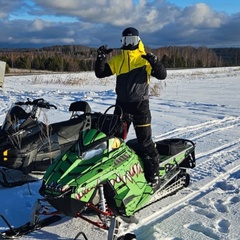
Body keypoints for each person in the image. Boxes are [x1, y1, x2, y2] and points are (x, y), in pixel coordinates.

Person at [94, 27, 167, 187]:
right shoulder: (118, 60)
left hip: (140, 106)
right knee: (114, 141)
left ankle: (154, 175)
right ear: (122, 41)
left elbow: (162, 75)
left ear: (138, 41)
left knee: (145, 142)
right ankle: (114, 175)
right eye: (126, 41)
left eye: (132, 40)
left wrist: (155, 62)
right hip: (121, 107)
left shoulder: (144, 59)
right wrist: (101, 58)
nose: (129, 44)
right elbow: (100, 73)